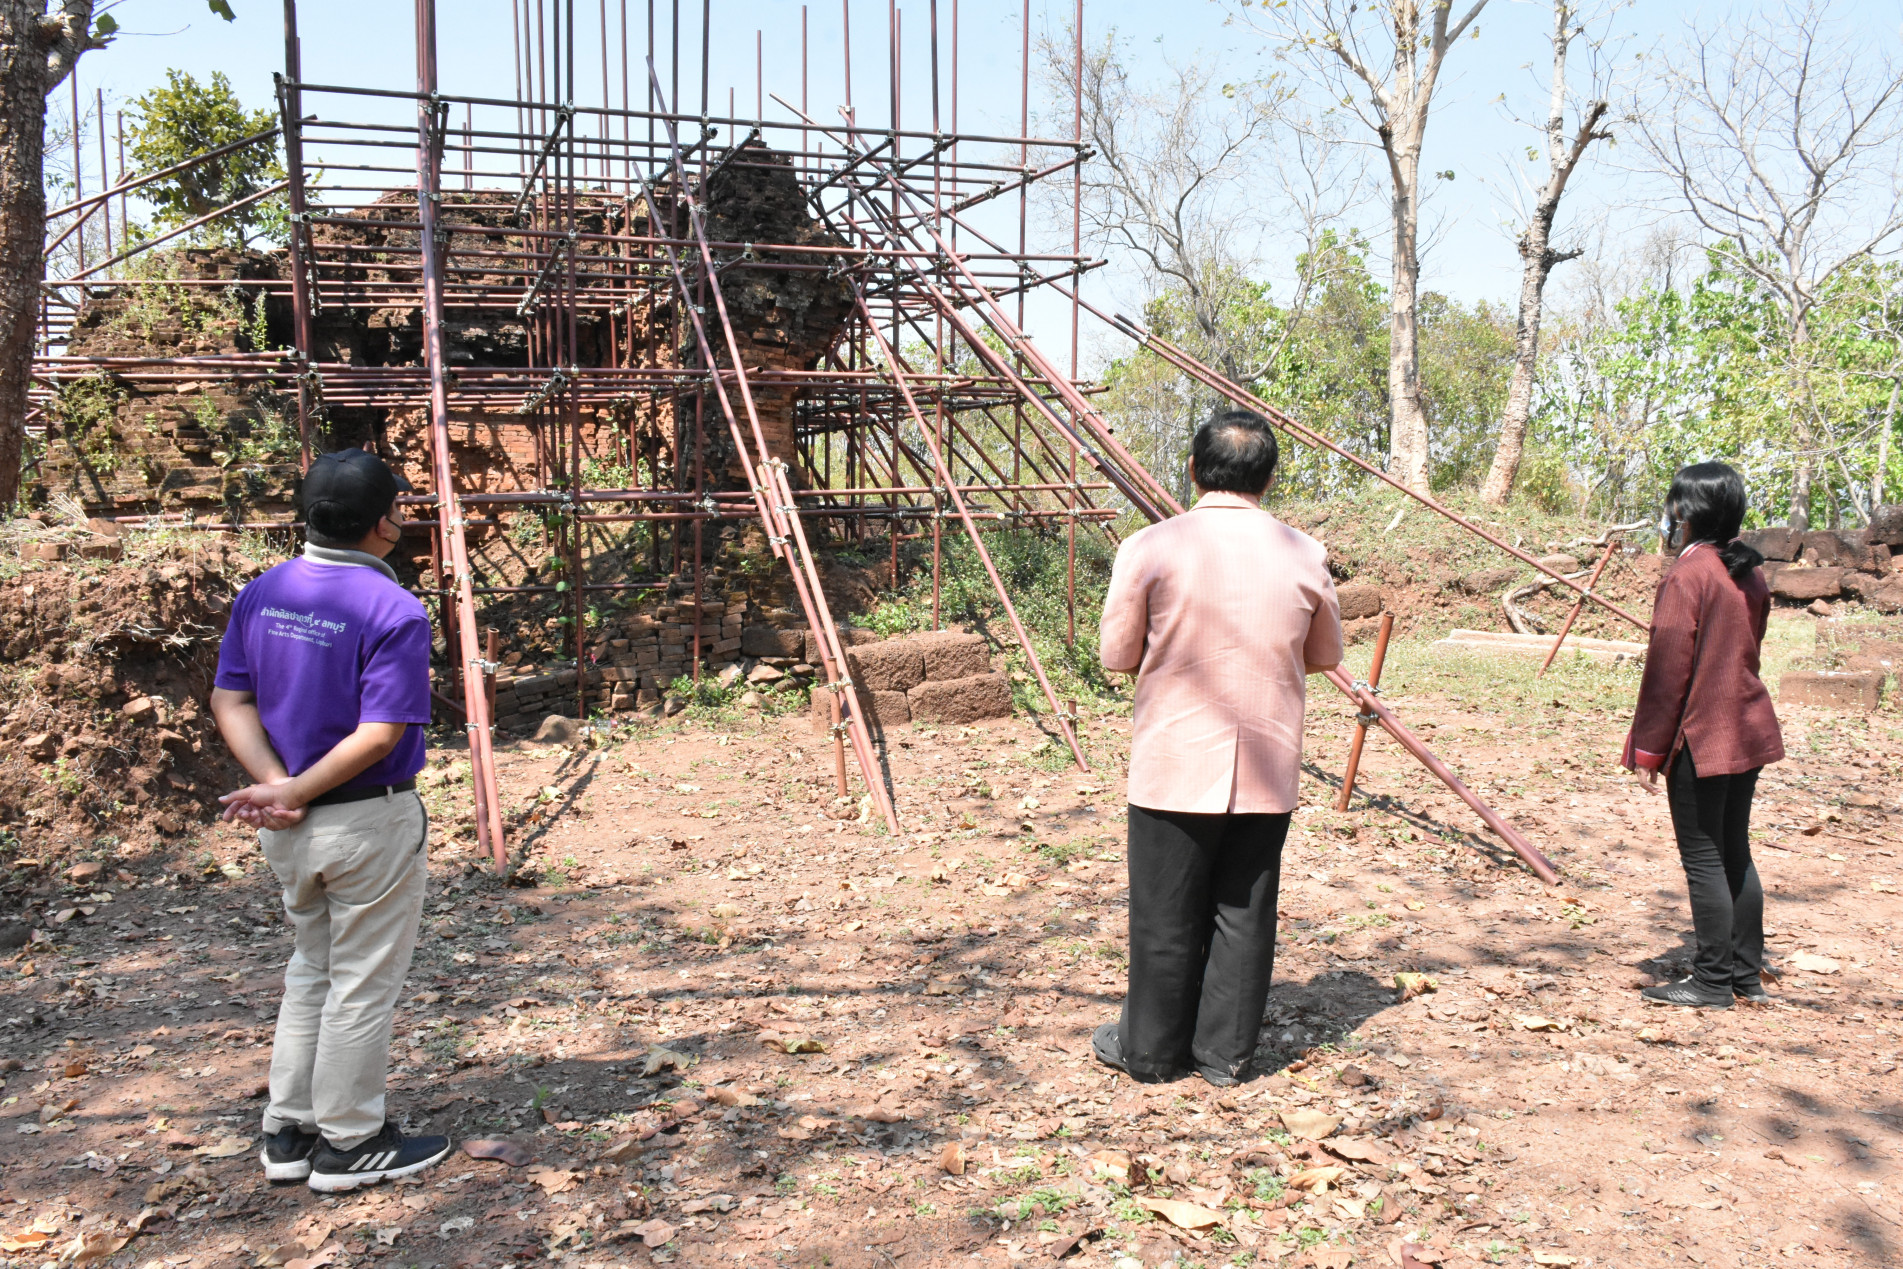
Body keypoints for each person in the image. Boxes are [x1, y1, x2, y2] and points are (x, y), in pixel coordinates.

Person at [210, 448, 452, 1190]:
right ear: (382, 524)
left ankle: (288, 1130)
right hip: (363, 821)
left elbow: (231, 700)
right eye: (402, 507)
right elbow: (379, 734)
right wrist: (299, 790)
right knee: (361, 982)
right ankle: (351, 1141)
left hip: (286, 827)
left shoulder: (264, 591)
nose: (405, 517)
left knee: (311, 968)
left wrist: (277, 788)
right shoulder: (394, 609)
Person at [1093, 409, 1343, 1085]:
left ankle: (1147, 1051)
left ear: (1195, 468)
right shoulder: (1304, 552)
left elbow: (1114, 654)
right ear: (1267, 476)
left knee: (1163, 911)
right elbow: (1324, 654)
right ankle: (1224, 1055)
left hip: (1175, 758)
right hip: (1266, 758)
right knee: (1243, 911)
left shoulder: (1149, 546)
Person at [1622, 461, 1784, 1010]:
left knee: (1705, 856)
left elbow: (1669, 672)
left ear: (1686, 513)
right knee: (1733, 849)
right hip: (1746, 725)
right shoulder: (1746, 571)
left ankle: (1712, 981)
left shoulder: (1688, 575)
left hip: (1704, 734)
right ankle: (1745, 975)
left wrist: (1648, 747)